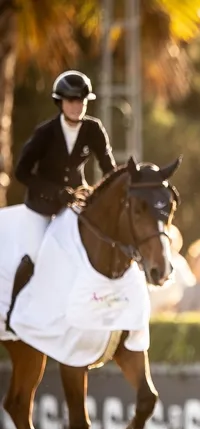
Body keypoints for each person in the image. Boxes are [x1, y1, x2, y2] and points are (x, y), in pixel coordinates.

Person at [6, 70, 116, 328]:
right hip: (41, 205)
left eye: (81, 101)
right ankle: (13, 314)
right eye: (71, 101)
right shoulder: (45, 132)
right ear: (60, 103)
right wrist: (54, 192)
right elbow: (22, 171)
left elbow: (108, 168)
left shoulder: (93, 129)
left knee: (86, 251)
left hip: (75, 202)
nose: (77, 106)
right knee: (34, 254)